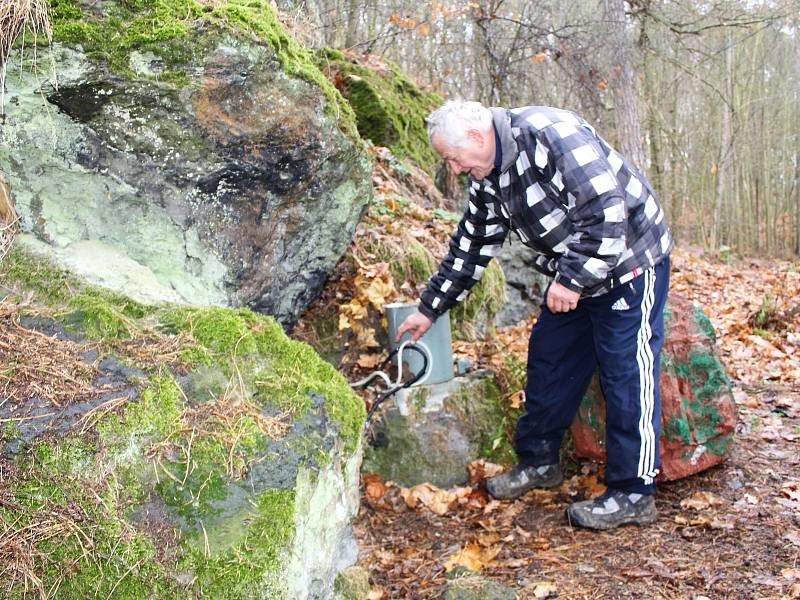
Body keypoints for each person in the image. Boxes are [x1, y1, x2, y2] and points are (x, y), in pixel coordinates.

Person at [396, 101, 672, 530]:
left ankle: (634, 491)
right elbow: (469, 248)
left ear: (475, 138)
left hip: (630, 261)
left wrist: (572, 279)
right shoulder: (487, 179)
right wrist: (429, 309)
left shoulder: (549, 133)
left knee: (627, 372)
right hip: (575, 275)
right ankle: (540, 462)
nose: (452, 169)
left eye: (452, 158)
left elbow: (606, 210)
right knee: (550, 359)